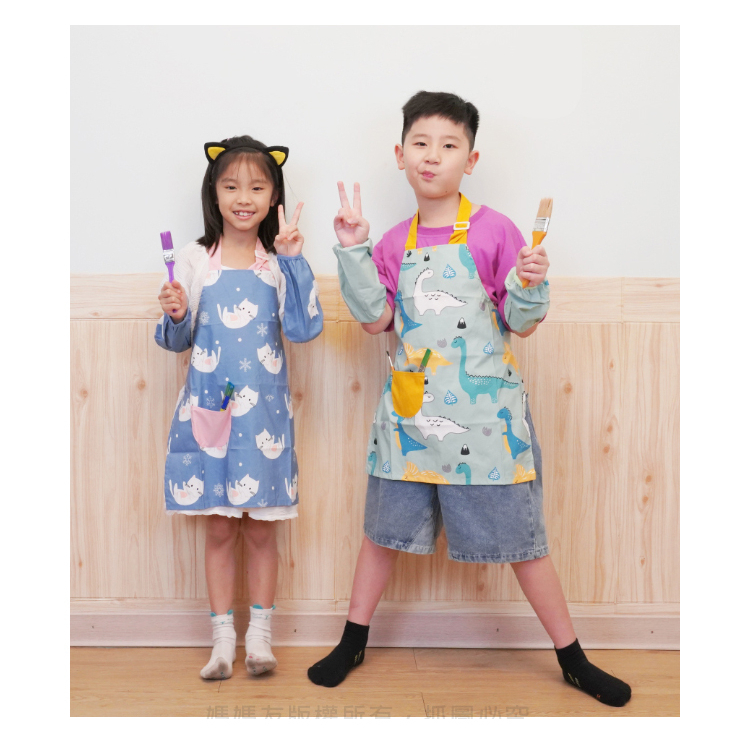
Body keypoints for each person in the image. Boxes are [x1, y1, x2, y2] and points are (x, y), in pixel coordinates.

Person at [308, 91, 631, 707]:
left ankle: (573, 658)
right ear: (400, 154)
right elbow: (375, 321)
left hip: (486, 422)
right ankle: (352, 641)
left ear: (471, 159)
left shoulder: (496, 231)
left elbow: (520, 322)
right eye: (421, 143)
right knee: (381, 534)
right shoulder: (391, 242)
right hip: (409, 422)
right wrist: (352, 247)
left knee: (525, 543)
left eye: (449, 145)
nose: (432, 156)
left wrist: (530, 283)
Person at [155, 135, 322, 680]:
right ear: (214, 193)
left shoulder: (278, 263)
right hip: (209, 414)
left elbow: (304, 329)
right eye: (231, 186)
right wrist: (176, 313)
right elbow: (176, 341)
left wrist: (294, 263)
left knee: (262, 531)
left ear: (274, 196)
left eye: (256, 187)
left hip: (264, 419)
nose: (243, 197)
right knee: (220, 531)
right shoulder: (192, 260)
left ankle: (260, 638)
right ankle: (222, 640)